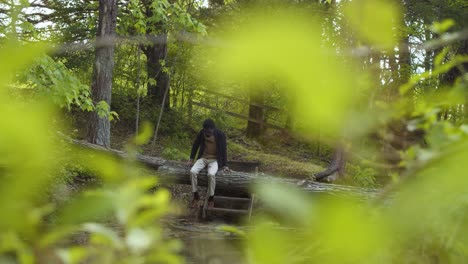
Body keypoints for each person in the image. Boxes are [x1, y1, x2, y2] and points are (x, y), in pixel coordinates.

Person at [187, 119, 229, 208]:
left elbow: (224, 150)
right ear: (204, 129)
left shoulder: (220, 135)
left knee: (211, 174)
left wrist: (225, 165)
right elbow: (195, 145)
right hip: (203, 158)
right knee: (193, 171)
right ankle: (195, 195)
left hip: (214, 160)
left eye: (210, 131)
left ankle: (211, 198)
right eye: (206, 131)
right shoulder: (202, 133)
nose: (208, 133)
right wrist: (191, 158)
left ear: (213, 129)